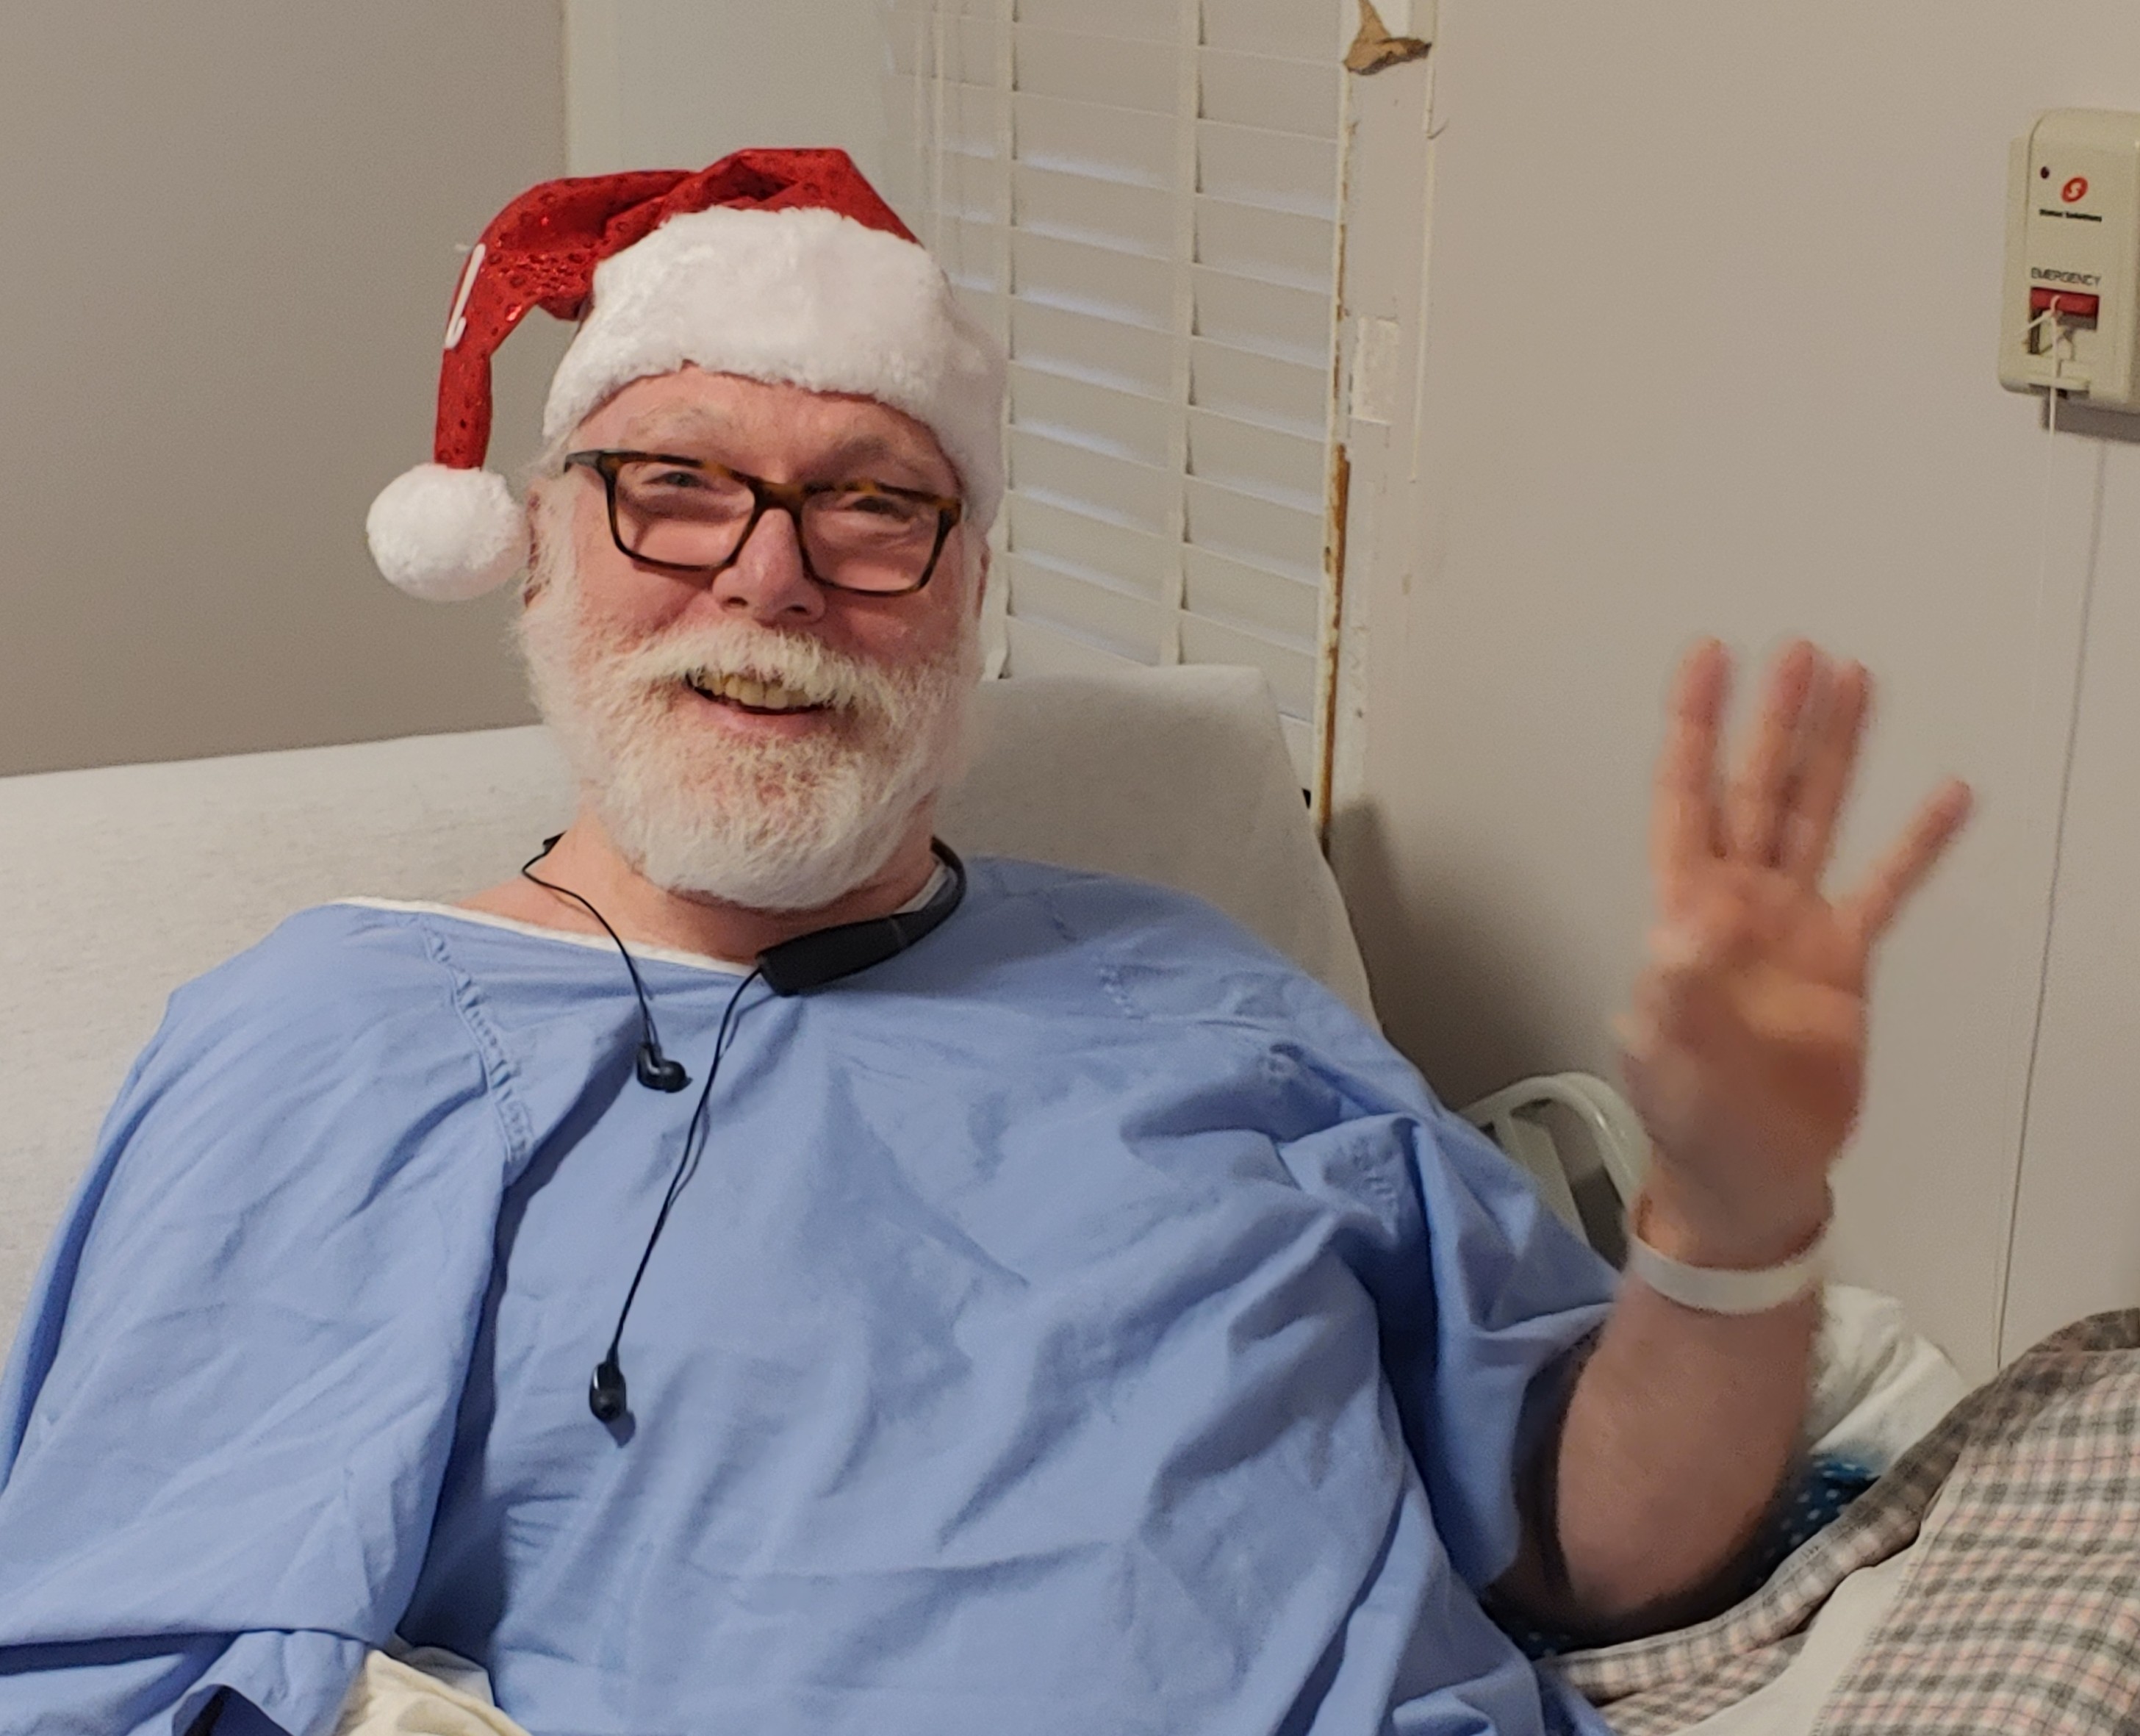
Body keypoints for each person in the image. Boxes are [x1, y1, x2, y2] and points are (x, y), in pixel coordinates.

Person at [0, 150, 1970, 1736]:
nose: (772, 575)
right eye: (676, 489)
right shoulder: (345, 1035)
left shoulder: (1203, 991)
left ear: (968, 591)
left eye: (876, 509)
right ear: (540, 548)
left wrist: (1735, 1211)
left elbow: (1596, 1556)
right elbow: (121, 1660)